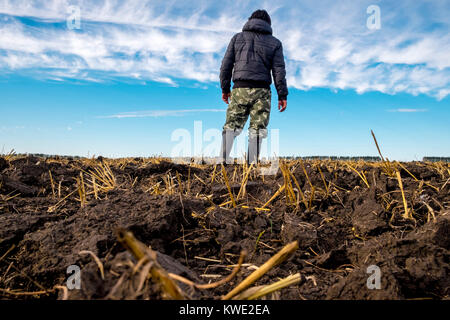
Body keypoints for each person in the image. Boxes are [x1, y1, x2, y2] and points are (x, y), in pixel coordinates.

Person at [219, 9, 288, 165]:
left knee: (232, 124)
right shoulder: (275, 43)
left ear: (250, 20)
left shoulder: (237, 38)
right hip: (262, 91)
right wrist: (282, 95)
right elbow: (279, 71)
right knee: (257, 128)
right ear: (268, 24)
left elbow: (226, 66)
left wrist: (225, 88)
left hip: (239, 88)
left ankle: (222, 160)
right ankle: (251, 165)